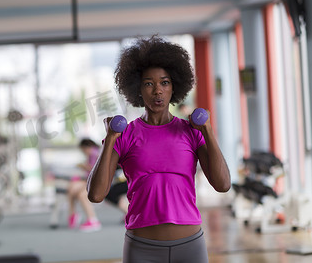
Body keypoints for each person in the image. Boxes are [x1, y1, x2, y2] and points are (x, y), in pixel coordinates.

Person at [87, 35, 231, 263]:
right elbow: (95, 195)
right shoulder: (124, 135)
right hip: (142, 248)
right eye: (148, 83)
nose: (157, 91)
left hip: (190, 246)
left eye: (164, 82)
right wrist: (110, 138)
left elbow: (222, 184)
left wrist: (208, 131)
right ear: (137, 88)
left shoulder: (191, 132)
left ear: (174, 87)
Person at [67, 138, 101, 232]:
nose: (83, 152)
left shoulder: (95, 153)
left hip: (97, 183)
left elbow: (96, 171)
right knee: (72, 187)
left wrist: (84, 166)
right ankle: (74, 214)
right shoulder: (93, 153)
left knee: (80, 193)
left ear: (86, 147)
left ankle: (75, 214)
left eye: (82, 150)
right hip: (91, 181)